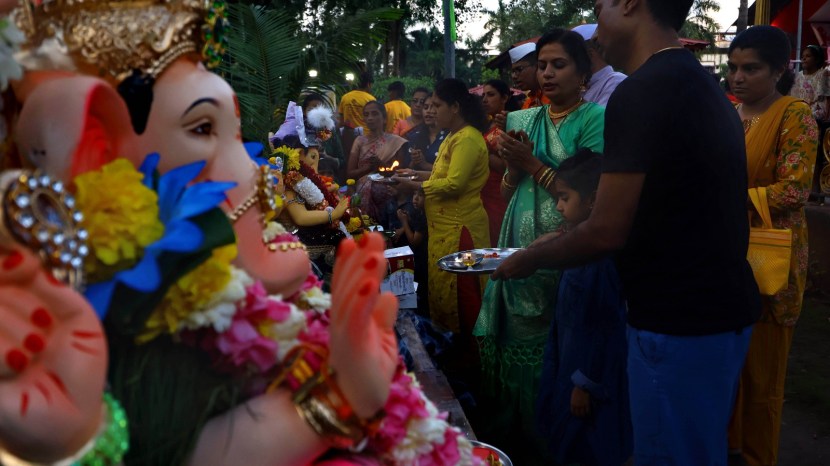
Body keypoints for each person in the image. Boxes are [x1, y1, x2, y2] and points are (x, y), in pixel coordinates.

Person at [492, 1, 761, 465]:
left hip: (677, 324)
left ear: (631, 4)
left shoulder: (641, 93)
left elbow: (606, 230)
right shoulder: (698, 82)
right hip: (717, 314)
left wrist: (530, 257)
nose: (596, 31)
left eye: (601, 8)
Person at [472, 28, 605, 466]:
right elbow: (511, 188)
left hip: (567, 247)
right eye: (542, 65)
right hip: (518, 239)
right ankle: (514, 437)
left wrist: (531, 163)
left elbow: (590, 195)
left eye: (559, 64)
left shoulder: (595, 120)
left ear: (583, 71)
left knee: (561, 341)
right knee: (513, 340)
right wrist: (514, 166)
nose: (546, 74)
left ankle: (553, 437)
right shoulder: (523, 118)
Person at [726, 25, 818, 466]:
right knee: (727, 368)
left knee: (762, 376)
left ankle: (759, 457)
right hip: (724, 252)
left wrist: (727, 199)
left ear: (780, 70)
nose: (738, 78)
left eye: (751, 69)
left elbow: (795, 190)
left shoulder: (794, 113)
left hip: (770, 257)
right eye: (732, 68)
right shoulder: (728, 115)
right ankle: (730, 449)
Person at [536, 149, 632, 466]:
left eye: (564, 198)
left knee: (587, 442)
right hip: (568, 355)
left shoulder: (600, 258)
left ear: (592, 201)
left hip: (588, 374)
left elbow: (607, 323)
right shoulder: (577, 241)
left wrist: (585, 383)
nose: (558, 206)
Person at [393, 78, 490, 337]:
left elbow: (455, 184)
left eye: (437, 105)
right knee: (444, 297)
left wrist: (416, 187)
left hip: (462, 232)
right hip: (443, 231)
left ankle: (467, 366)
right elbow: (439, 176)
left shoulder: (467, 138)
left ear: (455, 107)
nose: (431, 110)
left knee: (464, 299)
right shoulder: (452, 136)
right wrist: (413, 174)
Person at [347, 100, 408, 226]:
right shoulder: (359, 141)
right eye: (366, 114)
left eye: (375, 114)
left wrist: (382, 167)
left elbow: (400, 174)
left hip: (389, 197)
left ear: (385, 119)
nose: (370, 118)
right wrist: (370, 167)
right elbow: (350, 174)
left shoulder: (396, 142)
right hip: (363, 195)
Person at [480, 79, 511, 246]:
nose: (485, 99)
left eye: (490, 95)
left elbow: (506, 167)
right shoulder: (487, 125)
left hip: (498, 193)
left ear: (504, 98)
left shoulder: (510, 125)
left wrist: (482, 151)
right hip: (483, 192)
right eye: (483, 95)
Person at [572, 23, 627, 107]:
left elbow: (600, 119)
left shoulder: (616, 81)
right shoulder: (581, 86)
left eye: (571, 56)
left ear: (589, 54)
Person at [395, 187, 429, 317]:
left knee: (420, 286)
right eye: (414, 194)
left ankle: (421, 313)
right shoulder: (419, 212)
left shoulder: (423, 217)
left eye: (420, 195)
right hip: (420, 257)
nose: (415, 198)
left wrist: (404, 222)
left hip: (422, 257)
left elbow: (414, 241)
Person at [302, 92, 346, 176]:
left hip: (328, 178)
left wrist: (329, 158)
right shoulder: (298, 131)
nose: (315, 113)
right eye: (311, 109)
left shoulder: (329, 130)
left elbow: (342, 162)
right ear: (304, 112)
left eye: (319, 109)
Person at [406, 96, 448, 172]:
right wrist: (415, 161)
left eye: (433, 107)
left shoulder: (450, 137)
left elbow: (449, 173)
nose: (428, 111)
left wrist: (425, 165)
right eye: (425, 107)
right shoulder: (415, 136)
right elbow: (407, 168)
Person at [790, 44, 830, 122]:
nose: (803, 58)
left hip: (818, 117)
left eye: (808, 56)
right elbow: (794, 99)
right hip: (799, 113)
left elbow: (825, 107)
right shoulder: (799, 76)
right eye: (802, 56)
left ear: (817, 59)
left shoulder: (824, 74)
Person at [510, 42, 550, 110]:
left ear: (537, 66)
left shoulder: (554, 96)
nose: (514, 76)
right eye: (513, 71)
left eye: (519, 69)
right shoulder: (527, 103)